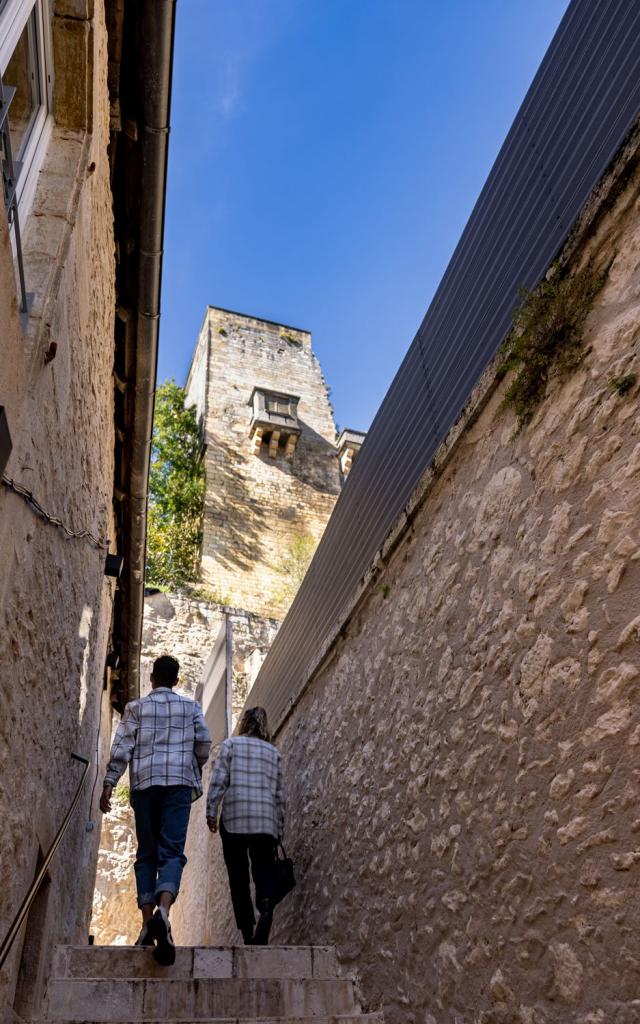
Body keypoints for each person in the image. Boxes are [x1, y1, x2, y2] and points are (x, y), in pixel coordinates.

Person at [100, 655, 211, 965]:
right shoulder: (190, 708)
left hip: (145, 787)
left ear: (151, 678)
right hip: (178, 786)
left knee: (146, 854)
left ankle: (148, 922)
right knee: (172, 852)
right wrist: (191, 768)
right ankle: (163, 911)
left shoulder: (136, 708)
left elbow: (121, 746)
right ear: (176, 681)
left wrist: (110, 782)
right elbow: (204, 742)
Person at [206, 706, 285, 945]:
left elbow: (219, 780)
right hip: (265, 823)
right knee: (263, 870)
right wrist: (280, 829)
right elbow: (280, 796)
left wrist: (211, 810)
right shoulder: (274, 753)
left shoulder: (231, 745)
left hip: (235, 821)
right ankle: (267, 908)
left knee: (238, 877)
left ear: (244, 723)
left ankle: (248, 932)